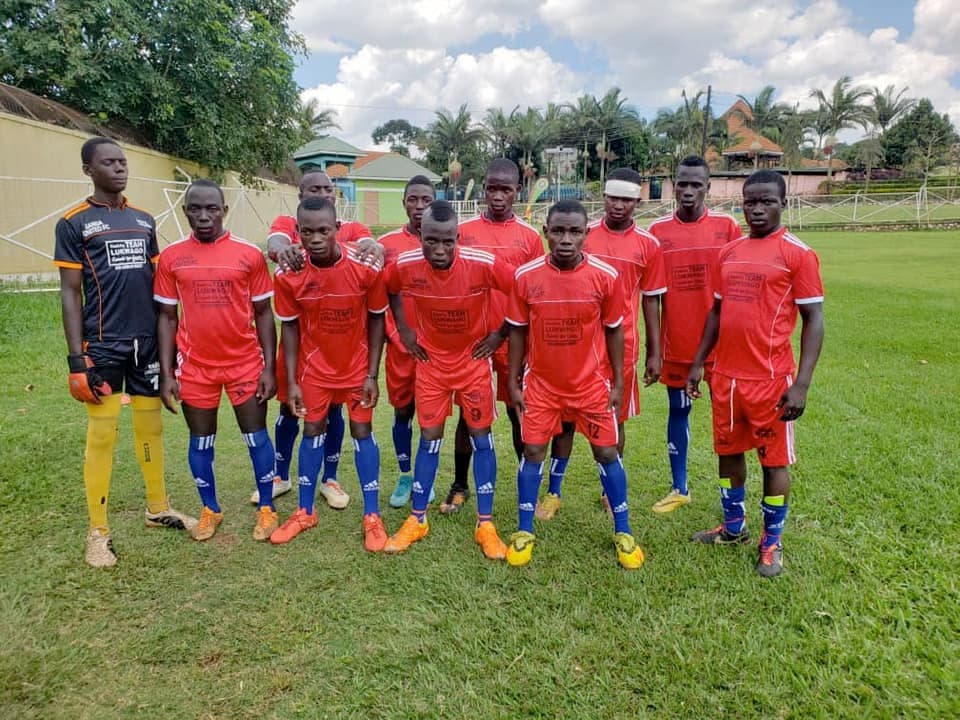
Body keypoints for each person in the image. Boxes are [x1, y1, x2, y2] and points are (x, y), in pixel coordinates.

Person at [55, 137, 196, 568]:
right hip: (102, 345)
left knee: (150, 428)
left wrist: (169, 347)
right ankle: (97, 531)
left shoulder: (144, 220)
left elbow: (160, 289)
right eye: (109, 162)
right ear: (88, 170)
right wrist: (77, 359)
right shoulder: (73, 223)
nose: (119, 168)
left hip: (147, 343)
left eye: (122, 161)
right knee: (103, 434)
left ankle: (158, 507)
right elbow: (70, 292)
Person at [686, 170, 824, 577]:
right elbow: (716, 311)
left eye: (767, 201)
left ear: (783, 203)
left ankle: (772, 541)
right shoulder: (729, 252)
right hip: (725, 378)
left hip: (771, 381)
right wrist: (699, 362)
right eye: (751, 202)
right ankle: (733, 528)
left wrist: (802, 384)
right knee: (728, 454)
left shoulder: (798, 254)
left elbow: (814, 319)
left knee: (773, 462)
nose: (758, 209)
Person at [504, 199, 644, 570]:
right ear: (546, 232)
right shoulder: (525, 276)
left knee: (607, 453)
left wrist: (618, 382)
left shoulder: (605, 276)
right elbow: (517, 331)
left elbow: (614, 331)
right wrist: (513, 380)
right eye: (558, 231)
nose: (566, 239)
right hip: (542, 385)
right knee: (533, 451)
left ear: (586, 234)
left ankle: (624, 531)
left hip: (591, 385)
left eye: (575, 231)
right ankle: (524, 530)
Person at [382, 200, 514, 559]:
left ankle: (485, 524)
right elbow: (389, 288)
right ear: (419, 235)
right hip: (432, 366)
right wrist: (404, 329)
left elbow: (521, 290)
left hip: (473, 364)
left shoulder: (482, 264)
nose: (439, 250)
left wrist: (499, 334)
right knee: (429, 439)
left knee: (481, 438)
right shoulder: (406, 265)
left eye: (447, 241)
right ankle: (417, 519)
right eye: (431, 241)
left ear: (458, 238)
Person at [536, 167, 666, 520]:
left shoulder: (648, 245)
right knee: (564, 421)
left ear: (637, 202)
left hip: (621, 348)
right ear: (604, 198)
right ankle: (553, 491)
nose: (619, 205)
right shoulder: (583, 233)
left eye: (627, 199)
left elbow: (651, 300)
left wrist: (655, 352)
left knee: (614, 420)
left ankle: (610, 492)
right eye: (613, 198)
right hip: (575, 348)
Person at [154, 179, 279, 543]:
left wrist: (269, 367)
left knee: (256, 437)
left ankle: (267, 507)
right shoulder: (172, 257)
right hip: (195, 368)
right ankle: (210, 509)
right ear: (185, 212)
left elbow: (264, 313)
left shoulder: (249, 255)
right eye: (195, 209)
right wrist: (167, 373)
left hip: (244, 364)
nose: (204, 216)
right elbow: (167, 317)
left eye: (212, 208)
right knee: (201, 441)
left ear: (224, 210)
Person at [255, 170, 383, 509]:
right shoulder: (288, 228)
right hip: (305, 352)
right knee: (291, 409)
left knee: (336, 414)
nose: (323, 193)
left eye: (328, 188)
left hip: (345, 354)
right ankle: (282, 475)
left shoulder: (351, 230)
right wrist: (285, 251)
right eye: (315, 188)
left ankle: (331, 478)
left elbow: (370, 245)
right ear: (300, 195)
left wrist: (376, 246)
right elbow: (275, 243)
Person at [443, 158, 543, 515]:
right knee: (468, 416)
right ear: (483, 189)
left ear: (518, 191)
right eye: (492, 188)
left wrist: (504, 334)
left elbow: (533, 294)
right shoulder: (464, 232)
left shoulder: (530, 238)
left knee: (519, 412)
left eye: (506, 189)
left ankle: (526, 487)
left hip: (514, 342)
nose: (498, 196)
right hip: (474, 344)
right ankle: (459, 485)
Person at [647, 156, 741, 513]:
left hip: (723, 347)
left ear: (708, 187)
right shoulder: (658, 232)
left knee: (727, 421)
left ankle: (732, 501)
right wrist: (654, 351)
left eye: (696, 185)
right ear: (674, 185)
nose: (688, 191)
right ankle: (680, 487)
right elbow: (652, 296)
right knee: (679, 410)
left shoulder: (727, 227)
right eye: (682, 184)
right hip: (678, 345)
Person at [377, 176, 437, 508]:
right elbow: (379, 294)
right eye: (413, 199)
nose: (419, 206)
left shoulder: (445, 240)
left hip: (434, 350)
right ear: (404, 203)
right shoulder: (385, 244)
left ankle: (425, 479)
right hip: (400, 348)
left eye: (426, 199)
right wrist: (394, 333)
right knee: (403, 413)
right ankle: (405, 475)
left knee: (430, 417)